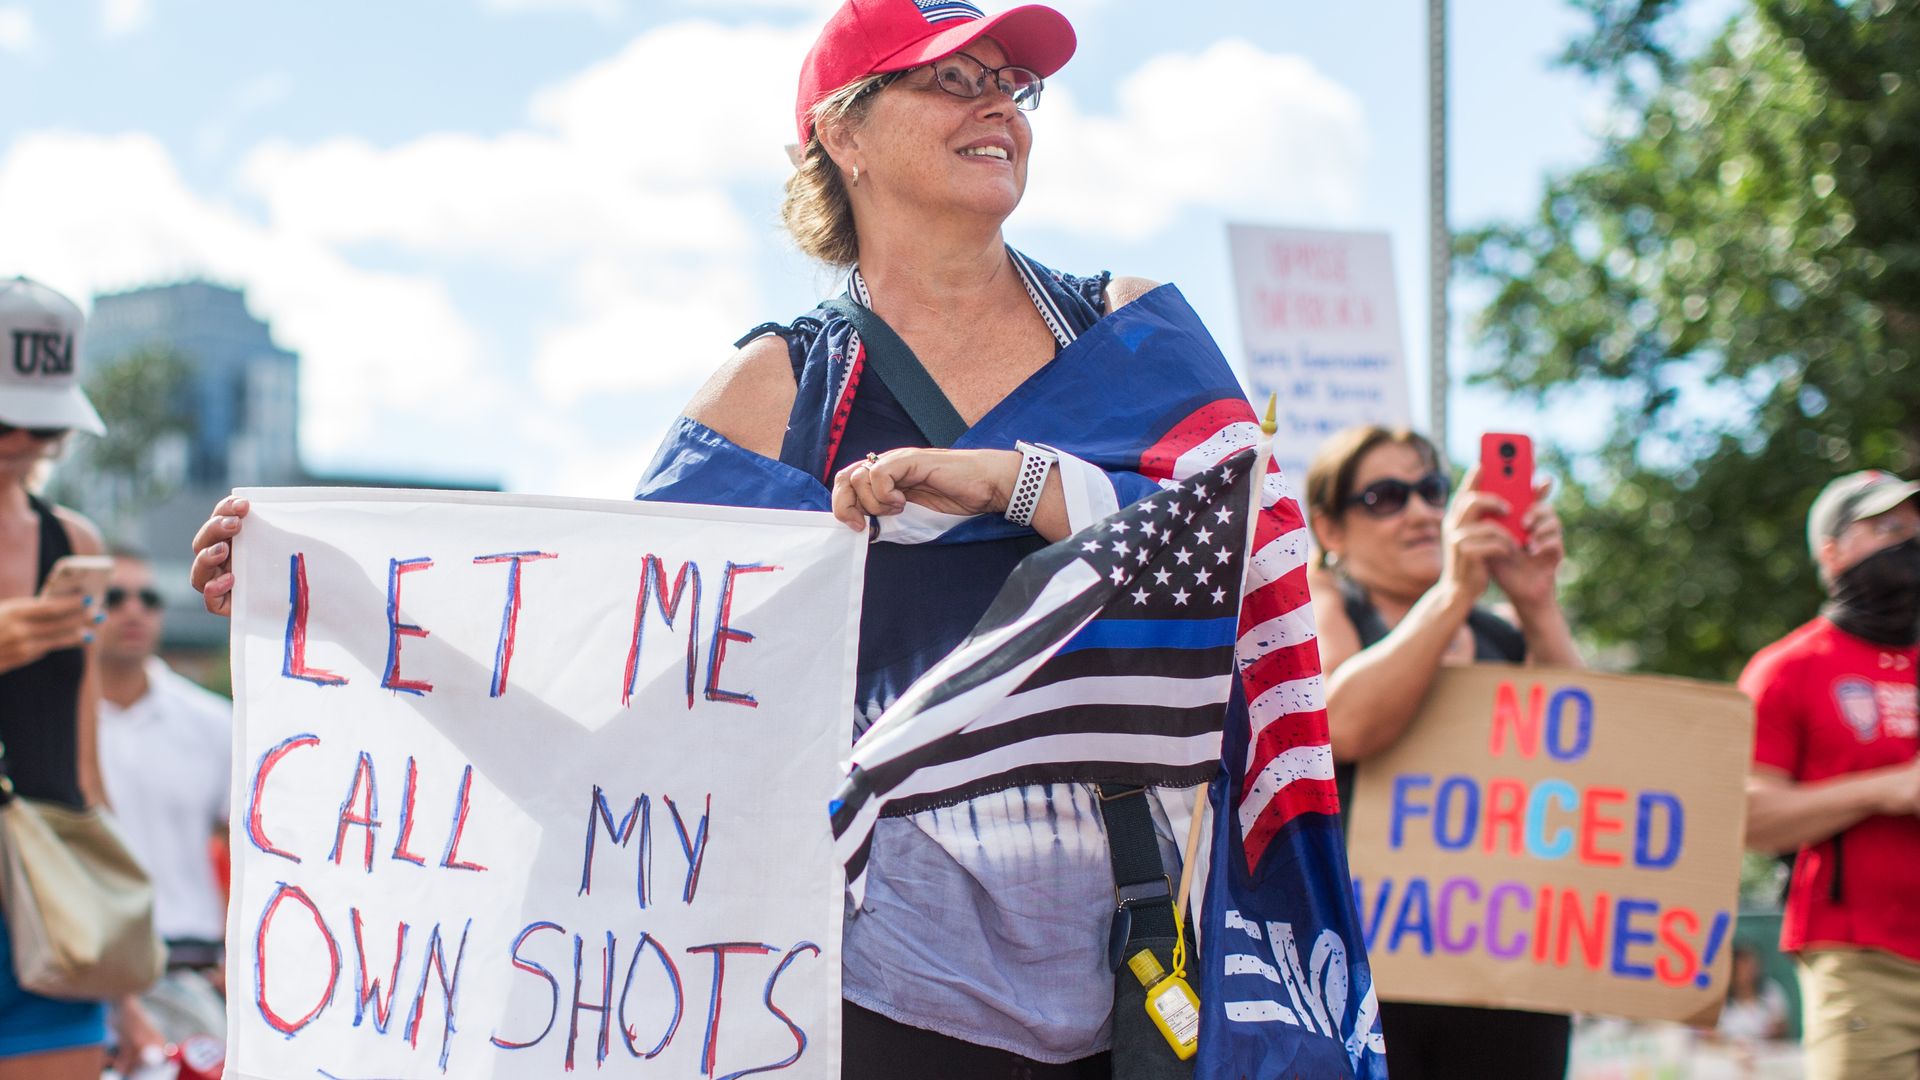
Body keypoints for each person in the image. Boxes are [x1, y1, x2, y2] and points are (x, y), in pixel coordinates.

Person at [192, 0, 1355, 1073]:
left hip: (1137, 953)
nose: (998, 105)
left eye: (1013, 84)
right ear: (842, 135)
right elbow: (608, 664)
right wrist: (323, 596)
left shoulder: (1132, 332)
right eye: (952, 80)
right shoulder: (778, 392)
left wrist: (1013, 481)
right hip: (869, 972)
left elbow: (1245, 555)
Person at [1302, 424, 1580, 1080]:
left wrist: (1537, 606)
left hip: (1505, 971)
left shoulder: (1499, 633)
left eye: (1432, 491)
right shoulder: (1324, 607)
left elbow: (1584, 752)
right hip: (1370, 971)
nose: (1423, 513)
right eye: (1385, 498)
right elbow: (1343, 723)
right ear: (1331, 530)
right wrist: (1453, 593)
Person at [1740, 469, 1920, 1080]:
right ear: (1832, 551)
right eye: (1886, 528)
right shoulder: (1787, 669)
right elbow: (1749, 818)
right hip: (1864, 959)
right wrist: (1888, 789)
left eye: (1915, 529)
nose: (1908, 543)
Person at [0, 276, 112, 1078]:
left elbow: (86, 763)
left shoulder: (69, 538)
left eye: (41, 422)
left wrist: (120, 954)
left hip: (52, 891)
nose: (22, 439)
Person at [95, 550, 232, 1070]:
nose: (134, 610)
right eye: (114, 596)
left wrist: (245, 955)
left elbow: (255, 850)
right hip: (83, 975)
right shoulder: (49, 725)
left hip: (189, 972)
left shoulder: (214, 723)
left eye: (148, 598)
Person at [1714, 944, 1788, 1043]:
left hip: (1767, 1053)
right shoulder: (1719, 999)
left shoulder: (1771, 990)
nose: (1748, 973)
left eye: (1751, 967)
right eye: (1742, 968)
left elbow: (1782, 1026)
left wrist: (1776, 1030)